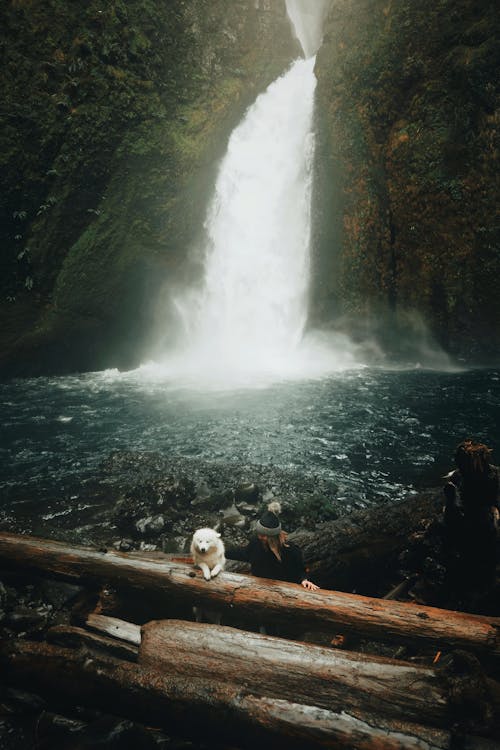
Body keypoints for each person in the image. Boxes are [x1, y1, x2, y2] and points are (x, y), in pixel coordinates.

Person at [225, 501, 319, 591]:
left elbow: (300, 570)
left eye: (263, 535)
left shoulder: (291, 550)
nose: (260, 537)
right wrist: (221, 551)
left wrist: (304, 580)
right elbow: (243, 554)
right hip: (258, 587)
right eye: (259, 533)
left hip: (284, 589)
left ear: (273, 537)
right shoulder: (256, 543)